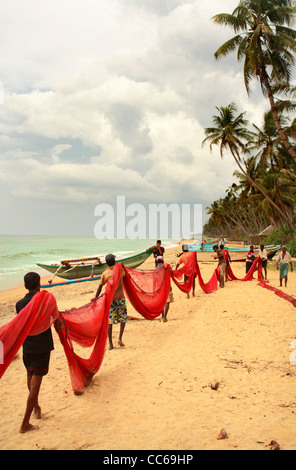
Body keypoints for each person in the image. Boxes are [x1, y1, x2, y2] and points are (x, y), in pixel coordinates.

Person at [15, 272, 63, 434]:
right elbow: (58, 323)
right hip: (42, 346)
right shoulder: (47, 299)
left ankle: (36, 407)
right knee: (36, 383)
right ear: (38, 285)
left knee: (30, 376)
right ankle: (25, 423)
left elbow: (22, 324)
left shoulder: (19, 304)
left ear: (25, 286)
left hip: (27, 346)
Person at [95, 254, 127, 350]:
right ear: (114, 261)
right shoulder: (120, 270)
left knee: (110, 321)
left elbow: (100, 287)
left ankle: (110, 343)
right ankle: (120, 338)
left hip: (110, 301)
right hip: (121, 298)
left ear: (106, 263)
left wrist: (95, 298)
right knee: (123, 318)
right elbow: (125, 278)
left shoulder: (105, 274)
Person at [155, 256, 174, 322]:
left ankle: (162, 315)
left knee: (161, 302)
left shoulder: (156, 269)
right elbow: (172, 272)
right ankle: (165, 317)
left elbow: (155, 279)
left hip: (160, 287)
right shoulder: (167, 267)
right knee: (167, 302)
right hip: (167, 286)